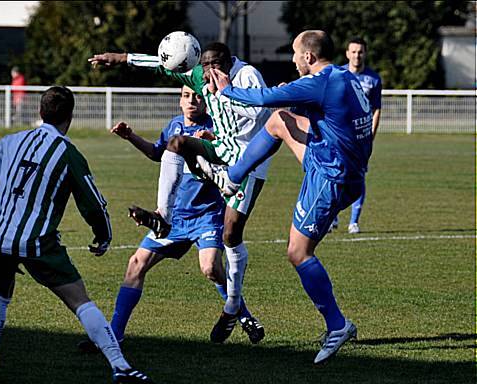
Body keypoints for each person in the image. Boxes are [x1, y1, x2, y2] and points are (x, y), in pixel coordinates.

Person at [0, 86, 153, 384]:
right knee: (80, 301)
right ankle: (121, 365)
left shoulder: (11, 141)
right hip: (37, 243)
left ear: (40, 112)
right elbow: (92, 202)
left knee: (0, 293)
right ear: (70, 117)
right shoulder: (68, 153)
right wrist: (103, 236)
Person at [200, 30, 373, 363]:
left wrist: (227, 89)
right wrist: (289, 100)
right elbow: (315, 111)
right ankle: (233, 177)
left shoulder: (319, 82)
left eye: (295, 53)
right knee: (280, 121)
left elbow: (261, 99)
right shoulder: (342, 77)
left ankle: (338, 325)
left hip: (330, 176)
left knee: (297, 252)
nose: (292, 59)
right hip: (342, 165)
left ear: (308, 57)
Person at [88, 42, 272, 343]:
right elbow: (162, 65)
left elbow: (253, 117)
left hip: (210, 210)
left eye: (197, 96)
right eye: (188, 94)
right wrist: (121, 59)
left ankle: (240, 312)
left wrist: (216, 128)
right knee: (136, 263)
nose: (194, 98)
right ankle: (115, 335)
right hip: (178, 216)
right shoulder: (175, 123)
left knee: (211, 268)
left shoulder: (232, 95)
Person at [340, 37, 382, 234]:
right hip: (339, 137)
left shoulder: (373, 79)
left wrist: (370, 137)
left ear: (365, 53)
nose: (357, 55)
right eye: (353, 51)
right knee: (336, 175)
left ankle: (354, 221)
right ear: (347, 53)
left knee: (358, 177)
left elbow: (376, 109)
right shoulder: (337, 74)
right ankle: (332, 217)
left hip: (361, 140)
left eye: (360, 51)